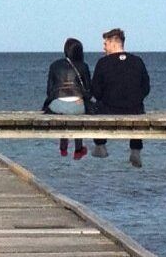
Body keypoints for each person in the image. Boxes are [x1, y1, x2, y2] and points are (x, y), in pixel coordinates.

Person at [89, 28, 150, 167]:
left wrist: (105, 98)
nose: (103, 47)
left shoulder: (103, 63)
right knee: (138, 111)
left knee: (95, 107)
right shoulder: (137, 61)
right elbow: (146, 87)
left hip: (108, 110)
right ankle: (135, 150)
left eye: (105, 44)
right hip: (135, 109)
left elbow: (95, 91)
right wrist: (136, 98)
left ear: (114, 43)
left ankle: (100, 145)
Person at [42, 38, 93, 160]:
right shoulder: (83, 66)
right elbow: (89, 90)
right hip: (77, 105)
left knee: (63, 114)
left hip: (57, 105)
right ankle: (78, 149)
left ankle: (63, 147)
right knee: (77, 115)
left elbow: (49, 90)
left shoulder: (54, 65)